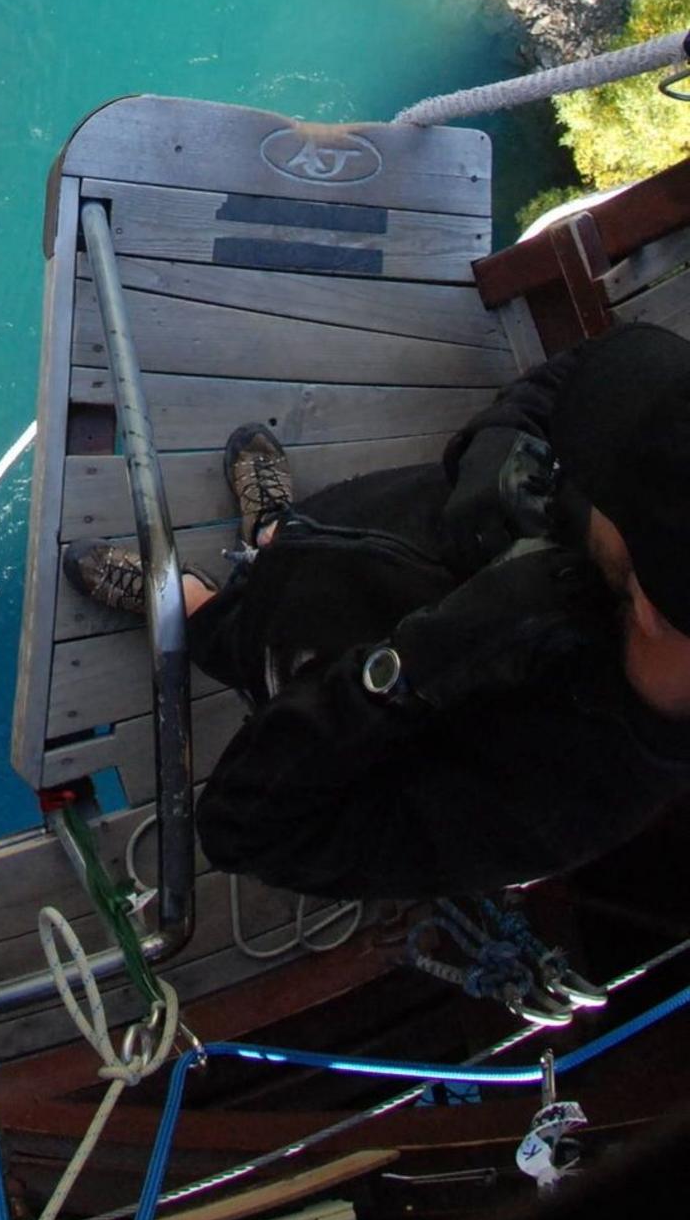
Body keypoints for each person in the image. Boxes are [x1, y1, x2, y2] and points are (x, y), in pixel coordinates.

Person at [64, 322, 690, 903]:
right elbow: (585, 379)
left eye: (604, 480)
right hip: (354, 531)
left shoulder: (564, 799)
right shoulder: (651, 530)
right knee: (289, 555)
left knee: (235, 636)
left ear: (652, 607)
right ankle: (273, 532)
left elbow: (242, 831)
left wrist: (406, 672)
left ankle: (192, 605)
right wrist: (502, 440)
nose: (583, 470)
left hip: (307, 675)